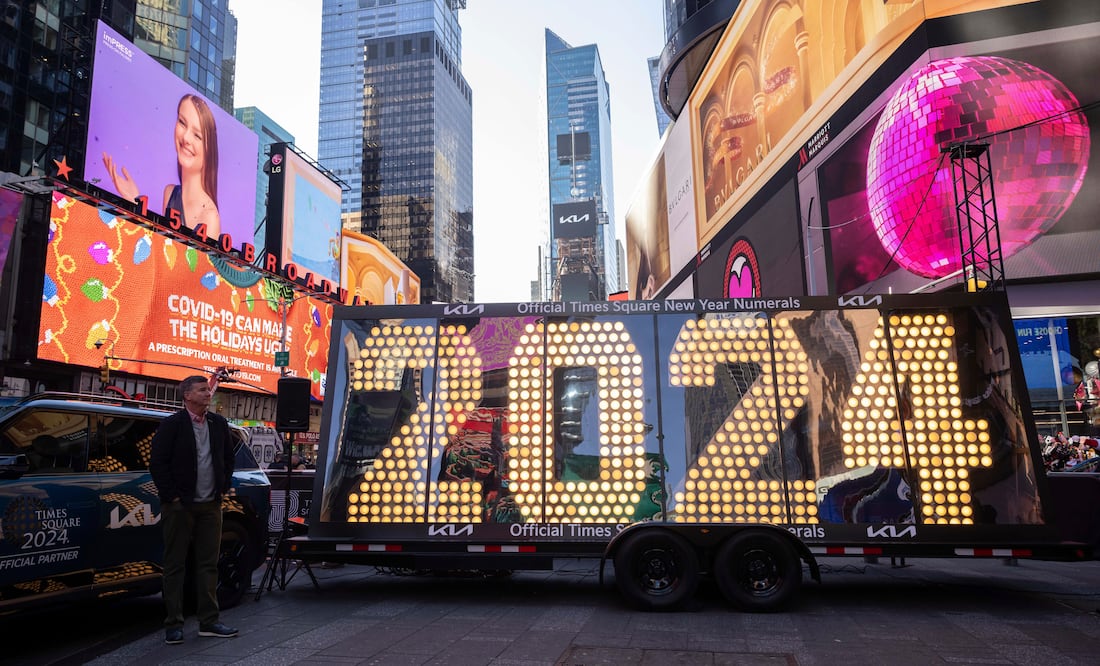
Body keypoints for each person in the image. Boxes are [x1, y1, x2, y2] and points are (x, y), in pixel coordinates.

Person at [149, 375, 238, 644]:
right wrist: (173, 497)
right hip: (180, 506)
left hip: (211, 504)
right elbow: (158, 463)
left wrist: (221, 489)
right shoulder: (172, 425)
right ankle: (174, 623)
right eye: (201, 390)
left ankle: (209, 621)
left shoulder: (218, 423)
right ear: (187, 395)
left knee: (208, 564)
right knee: (175, 564)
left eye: (207, 389)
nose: (207, 393)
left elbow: (227, 458)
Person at [103, 93, 221, 237]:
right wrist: (135, 201)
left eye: (197, 135)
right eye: (182, 123)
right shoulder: (170, 193)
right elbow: (164, 247)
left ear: (210, 150)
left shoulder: (210, 216)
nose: (186, 138)